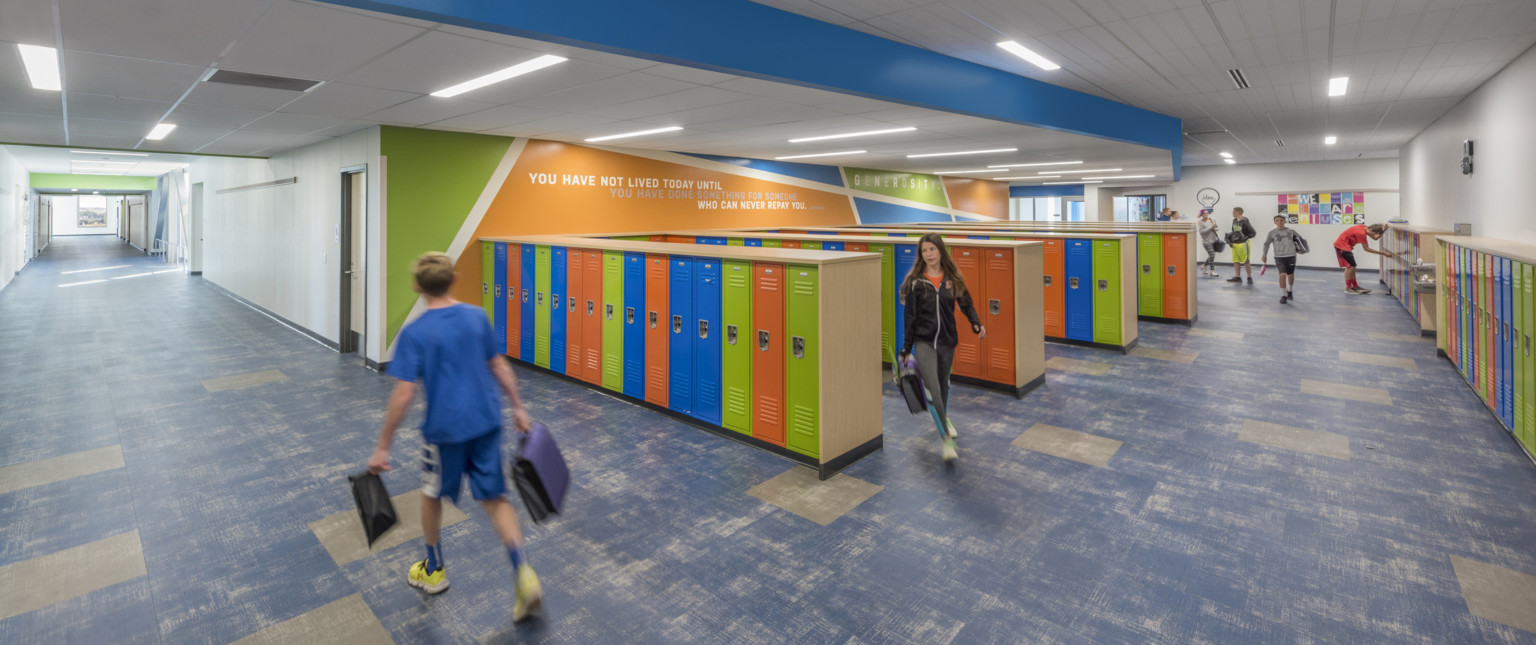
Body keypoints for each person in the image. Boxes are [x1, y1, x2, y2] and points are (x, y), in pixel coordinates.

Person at [368, 252, 543, 621]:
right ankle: (523, 572)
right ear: (456, 278)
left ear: (418, 286)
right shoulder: (477, 316)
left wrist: (383, 445)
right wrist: (519, 407)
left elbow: (403, 394)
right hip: (486, 421)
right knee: (495, 498)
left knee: (431, 494)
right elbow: (497, 363)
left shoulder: (414, 332)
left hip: (444, 430)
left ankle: (434, 569)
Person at [898, 233, 985, 462]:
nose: (929, 254)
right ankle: (946, 439)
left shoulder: (952, 279)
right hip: (924, 341)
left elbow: (966, 304)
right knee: (933, 388)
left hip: (947, 341)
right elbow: (910, 318)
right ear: (921, 255)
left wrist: (976, 323)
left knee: (944, 386)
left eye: (932, 249)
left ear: (940, 251)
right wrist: (906, 349)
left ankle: (944, 417)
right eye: (925, 251)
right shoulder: (916, 283)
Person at [1334, 223, 1394, 294]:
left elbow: (1375, 238)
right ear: (1371, 229)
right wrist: (1384, 253)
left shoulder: (1365, 227)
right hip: (1341, 246)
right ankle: (1348, 288)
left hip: (1345, 246)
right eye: (1374, 233)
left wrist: (1383, 230)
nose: (1374, 235)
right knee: (1350, 267)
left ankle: (1355, 286)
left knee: (1353, 266)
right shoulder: (1361, 233)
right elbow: (1367, 249)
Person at [1260, 214, 1303, 304]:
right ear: (1275, 222)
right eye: (1277, 220)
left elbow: (1300, 240)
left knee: (1290, 275)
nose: (1279, 222)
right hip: (1279, 257)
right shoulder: (1272, 233)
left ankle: (1290, 291)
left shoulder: (1291, 231)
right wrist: (1264, 255)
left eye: (1281, 220)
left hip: (1291, 256)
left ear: (1285, 221)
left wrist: (1300, 249)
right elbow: (1266, 244)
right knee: (1282, 274)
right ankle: (1283, 295)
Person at [1226, 207, 1256, 285]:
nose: (1232, 213)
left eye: (1233, 212)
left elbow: (1253, 233)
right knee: (1235, 260)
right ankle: (1238, 277)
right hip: (1235, 244)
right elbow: (1233, 231)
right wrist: (1229, 239)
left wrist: (1245, 237)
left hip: (1243, 244)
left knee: (1246, 261)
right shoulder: (1234, 220)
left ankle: (1249, 277)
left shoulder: (1245, 221)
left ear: (1238, 212)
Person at [1197, 210, 1220, 276]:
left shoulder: (1212, 220)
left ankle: (1204, 266)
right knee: (1212, 254)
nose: (1206, 214)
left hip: (1214, 240)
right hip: (1206, 242)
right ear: (1202, 214)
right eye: (1204, 213)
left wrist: (1216, 229)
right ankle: (1212, 271)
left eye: (1207, 213)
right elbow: (1202, 232)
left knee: (1211, 255)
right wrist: (1211, 226)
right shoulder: (1200, 222)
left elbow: (1217, 227)